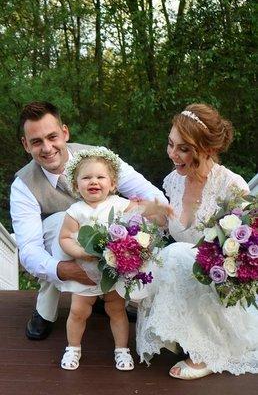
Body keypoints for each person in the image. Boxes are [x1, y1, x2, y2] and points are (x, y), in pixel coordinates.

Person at [10, 101, 168, 341]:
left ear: (65, 132)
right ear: (25, 145)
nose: (47, 147)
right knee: (62, 220)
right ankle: (45, 311)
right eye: (36, 141)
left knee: (138, 213)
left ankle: (114, 295)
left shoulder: (100, 158)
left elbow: (149, 193)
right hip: (60, 242)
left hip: (107, 234)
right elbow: (29, 249)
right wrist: (64, 270)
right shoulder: (23, 185)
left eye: (52, 137)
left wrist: (151, 218)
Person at [136, 103, 258, 379]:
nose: (173, 154)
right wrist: (154, 215)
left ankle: (203, 353)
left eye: (183, 149)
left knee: (178, 253)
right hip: (187, 277)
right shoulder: (173, 181)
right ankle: (179, 333)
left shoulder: (232, 186)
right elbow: (172, 227)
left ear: (208, 149)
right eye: (170, 144)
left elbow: (245, 252)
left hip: (218, 284)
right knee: (159, 258)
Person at [52, 147, 171, 370]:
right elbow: (65, 237)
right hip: (85, 271)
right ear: (76, 186)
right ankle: (73, 348)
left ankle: (121, 349)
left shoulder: (119, 204)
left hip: (113, 272)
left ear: (113, 184)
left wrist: (154, 208)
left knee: (116, 310)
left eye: (100, 177)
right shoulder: (75, 211)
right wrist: (79, 252)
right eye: (86, 178)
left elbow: (143, 213)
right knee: (78, 312)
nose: (93, 181)